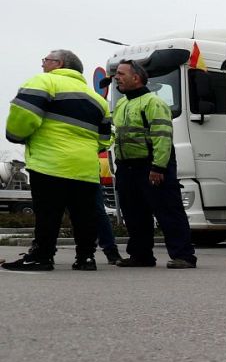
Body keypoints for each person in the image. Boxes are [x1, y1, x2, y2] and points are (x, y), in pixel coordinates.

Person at [3, 50, 109, 272]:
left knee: (48, 213)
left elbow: (23, 114)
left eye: (46, 60)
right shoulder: (98, 100)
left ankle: (42, 256)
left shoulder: (44, 82)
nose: (43, 64)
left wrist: (15, 136)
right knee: (84, 215)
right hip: (86, 167)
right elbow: (105, 140)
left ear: (59, 63)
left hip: (50, 163)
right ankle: (86, 258)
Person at [110, 60, 196, 268]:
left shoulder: (153, 103)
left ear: (136, 78)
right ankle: (141, 255)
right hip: (126, 167)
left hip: (151, 166)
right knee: (134, 214)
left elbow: (162, 137)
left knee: (168, 211)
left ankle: (183, 256)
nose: (116, 77)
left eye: (121, 74)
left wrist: (158, 167)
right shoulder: (121, 103)